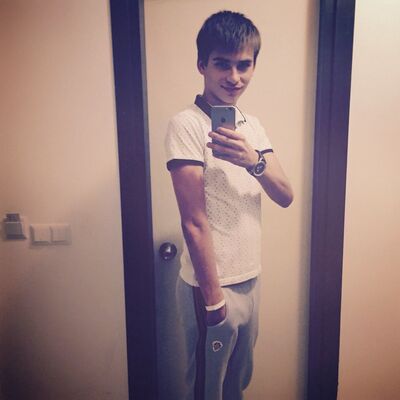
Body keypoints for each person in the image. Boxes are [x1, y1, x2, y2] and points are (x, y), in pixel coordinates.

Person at [164, 10, 293, 400]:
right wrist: (213, 298)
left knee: (238, 383)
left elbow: (285, 195)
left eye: (244, 65)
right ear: (202, 64)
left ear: (253, 66)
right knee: (208, 389)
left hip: (251, 279)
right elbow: (194, 222)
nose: (234, 77)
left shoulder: (252, 126)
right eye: (222, 64)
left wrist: (253, 160)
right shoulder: (186, 124)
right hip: (213, 287)